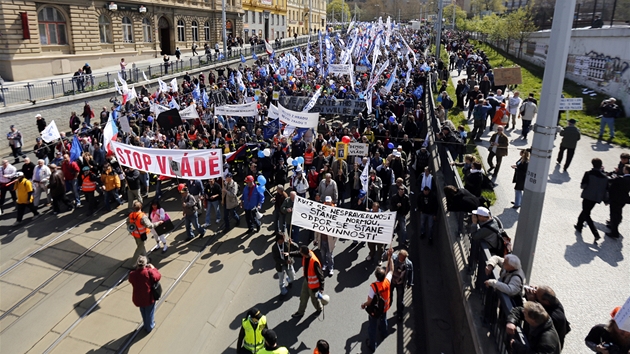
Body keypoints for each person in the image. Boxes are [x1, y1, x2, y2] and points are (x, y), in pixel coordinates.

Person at [360, 248, 394, 352]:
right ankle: (384, 333)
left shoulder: (374, 286)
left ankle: (372, 345)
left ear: (376, 276)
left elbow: (370, 301)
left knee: (372, 327)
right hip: (385, 306)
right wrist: (390, 257)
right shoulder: (387, 281)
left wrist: (364, 305)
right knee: (383, 320)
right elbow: (391, 270)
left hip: (375, 309)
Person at [575, 158, 609, 242]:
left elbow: (583, 185)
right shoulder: (605, 177)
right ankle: (579, 225)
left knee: (586, 213)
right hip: (596, 198)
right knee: (586, 211)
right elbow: (606, 189)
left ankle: (595, 233)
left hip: (587, 196)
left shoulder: (588, 173)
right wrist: (606, 200)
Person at [289, 245, 325, 318]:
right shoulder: (307, 254)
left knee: (314, 300)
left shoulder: (314, 262)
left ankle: (319, 308)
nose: (300, 253)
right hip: (307, 281)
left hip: (314, 285)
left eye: (301, 252)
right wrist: (289, 253)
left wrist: (321, 288)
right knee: (303, 297)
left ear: (304, 254)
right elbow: (298, 254)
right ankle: (300, 312)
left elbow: (321, 275)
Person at [128, 255, 161, 333]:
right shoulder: (148, 272)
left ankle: (146, 324)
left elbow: (131, 280)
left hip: (138, 297)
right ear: (145, 264)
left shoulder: (133, 274)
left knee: (143, 311)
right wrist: (153, 268)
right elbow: (158, 276)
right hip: (148, 297)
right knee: (149, 312)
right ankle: (149, 326)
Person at [314, 196, 337, 276]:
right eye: (326, 203)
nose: (327, 204)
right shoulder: (321, 211)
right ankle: (325, 264)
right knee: (322, 253)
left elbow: (337, 230)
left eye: (329, 203)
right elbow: (316, 228)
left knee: (330, 255)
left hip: (330, 240)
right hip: (322, 239)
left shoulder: (335, 212)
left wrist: (334, 241)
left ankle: (331, 268)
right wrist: (315, 238)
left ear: (331, 202)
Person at [606, 164, 630, 239]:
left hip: (616, 198)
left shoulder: (620, 179)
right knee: (618, 212)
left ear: (626, 170)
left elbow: (609, 180)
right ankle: (612, 225)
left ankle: (614, 232)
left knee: (614, 214)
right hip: (623, 199)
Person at [390, 249, 414, 320]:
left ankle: (400, 314)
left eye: (402, 258)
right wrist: (388, 253)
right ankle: (387, 306)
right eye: (400, 257)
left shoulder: (409, 264)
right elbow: (384, 255)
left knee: (400, 300)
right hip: (392, 281)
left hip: (400, 283)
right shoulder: (393, 258)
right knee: (388, 296)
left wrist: (410, 282)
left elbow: (411, 273)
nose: (400, 259)